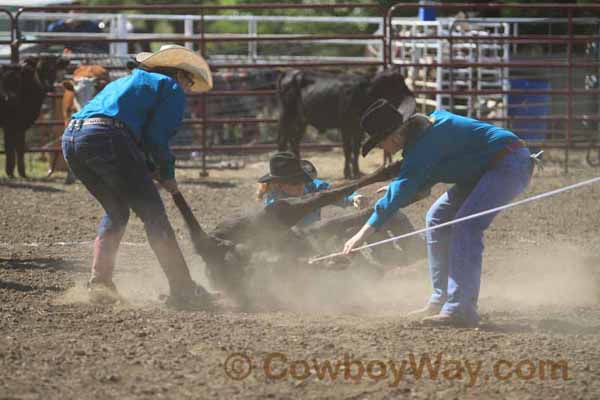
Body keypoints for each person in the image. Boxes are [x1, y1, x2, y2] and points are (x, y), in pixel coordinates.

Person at [342, 97, 534, 327]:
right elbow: (418, 180)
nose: (382, 149)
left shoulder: (425, 144)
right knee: (437, 217)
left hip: (508, 164)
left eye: (380, 143)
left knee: (466, 224)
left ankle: (460, 308)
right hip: (486, 168)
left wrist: (362, 233)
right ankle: (441, 298)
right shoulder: (427, 134)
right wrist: (404, 187)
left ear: (393, 137)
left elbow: (402, 189)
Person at [61, 44, 214, 309]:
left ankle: (100, 284)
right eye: (189, 80)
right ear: (178, 74)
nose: (188, 87)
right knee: (154, 216)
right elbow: (156, 138)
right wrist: (166, 173)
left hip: (73, 139)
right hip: (108, 138)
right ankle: (183, 288)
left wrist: (149, 166)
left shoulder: (125, 84)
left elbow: (134, 136)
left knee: (117, 211)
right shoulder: (170, 87)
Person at [256, 152, 368, 227]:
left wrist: (354, 198)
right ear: (279, 185)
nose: (301, 186)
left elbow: (332, 193)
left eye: (303, 180)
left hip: (316, 235)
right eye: (295, 183)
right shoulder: (273, 205)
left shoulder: (312, 186)